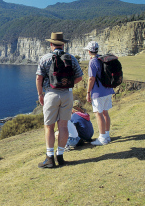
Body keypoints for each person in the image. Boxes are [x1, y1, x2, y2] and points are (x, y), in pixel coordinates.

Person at [36, 32, 83, 168]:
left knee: (49, 126)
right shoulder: (71, 59)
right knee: (63, 126)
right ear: (63, 44)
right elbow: (79, 77)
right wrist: (68, 85)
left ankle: (50, 158)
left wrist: (40, 94)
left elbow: (39, 78)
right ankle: (60, 156)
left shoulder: (45, 59)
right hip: (67, 95)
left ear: (51, 44)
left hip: (51, 94)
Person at [84, 41, 114, 145]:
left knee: (98, 114)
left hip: (98, 92)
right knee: (105, 113)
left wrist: (88, 92)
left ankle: (102, 139)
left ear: (89, 51)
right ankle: (107, 136)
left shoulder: (92, 61)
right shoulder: (102, 59)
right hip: (107, 90)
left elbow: (91, 78)